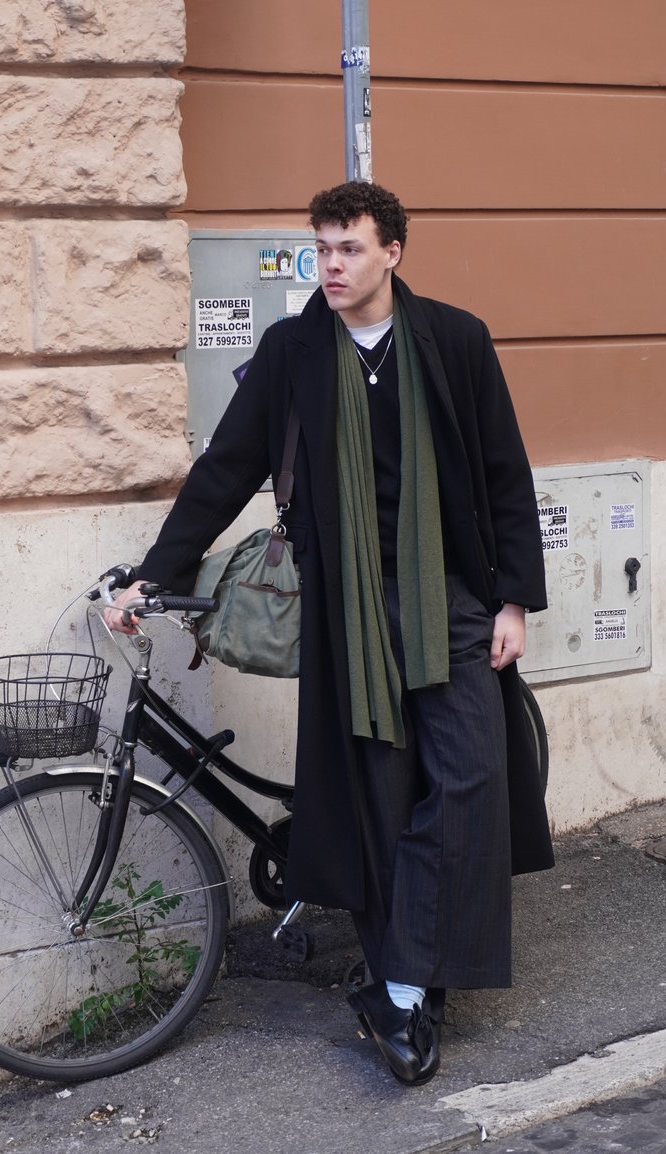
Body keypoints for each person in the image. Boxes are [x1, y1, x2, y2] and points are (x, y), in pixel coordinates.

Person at [104, 181, 553, 1086]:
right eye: (322, 249)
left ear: (393, 251)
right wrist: (157, 571)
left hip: (454, 601)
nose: (332, 266)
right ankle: (403, 989)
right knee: (380, 799)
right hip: (348, 609)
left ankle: (403, 969)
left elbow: (504, 472)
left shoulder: (454, 340)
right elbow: (226, 467)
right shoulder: (294, 349)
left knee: (469, 777)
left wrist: (514, 602)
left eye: (349, 248)